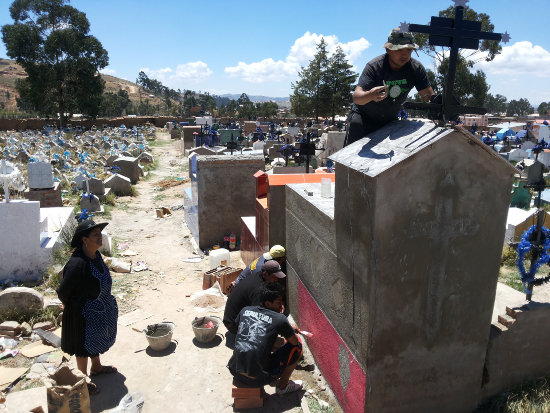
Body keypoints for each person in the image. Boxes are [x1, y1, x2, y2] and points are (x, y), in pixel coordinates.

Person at [57, 219, 119, 395]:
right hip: (82, 313)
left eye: (100, 234)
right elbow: (63, 291)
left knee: (96, 339)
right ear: (85, 239)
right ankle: (82, 380)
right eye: (95, 235)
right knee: (83, 346)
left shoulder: (96, 255)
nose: (100, 237)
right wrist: (74, 308)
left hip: (98, 310)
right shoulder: (77, 263)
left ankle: (96, 367)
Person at [344, 28, 435, 146]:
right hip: (363, 119)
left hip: (389, 120)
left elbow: (429, 98)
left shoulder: (416, 69)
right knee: (349, 155)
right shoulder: (374, 67)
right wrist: (370, 95)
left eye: (409, 49)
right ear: (388, 49)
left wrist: (440, 109)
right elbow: (357, 97)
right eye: (399, 49)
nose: (405, 53)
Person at [228, 283, 303, 395]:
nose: (281, 306)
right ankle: (282, 387)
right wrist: (286, 326)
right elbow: (294, 341)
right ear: (268, 303)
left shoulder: (245, 310)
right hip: (257, 380)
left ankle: (256, 369)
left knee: (257, 341)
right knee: (298, 347)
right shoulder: (280, 319)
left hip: (234, 370)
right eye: (279, 303)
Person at [223, 260, 286, 334]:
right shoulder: (258, 289)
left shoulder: (259, 276)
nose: (277, 279)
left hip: (235, 318)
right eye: (274, 277)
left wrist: (280, 303)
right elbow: (259, 315)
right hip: (233, 325)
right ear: (265, 274)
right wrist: (280, 322)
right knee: (269, 334)